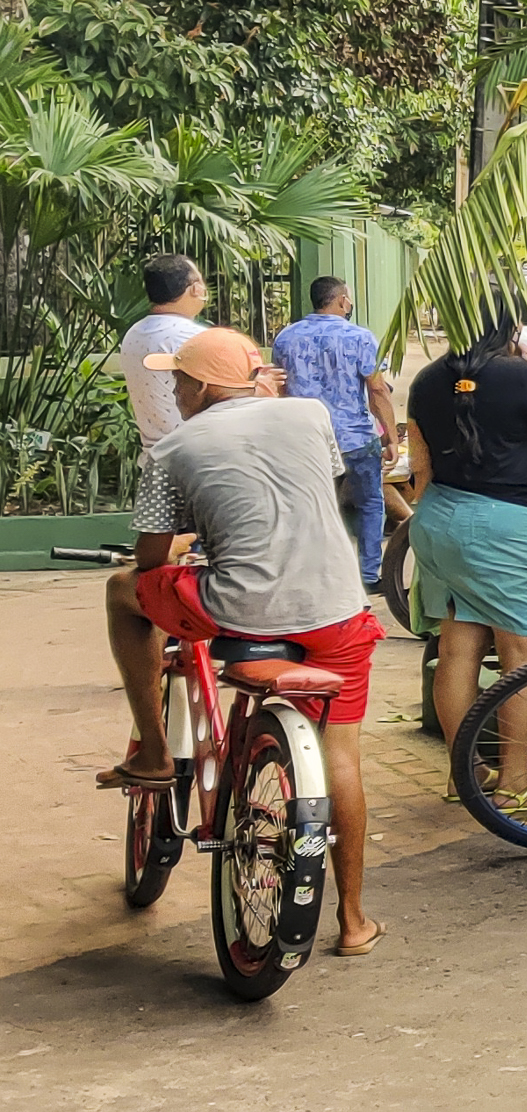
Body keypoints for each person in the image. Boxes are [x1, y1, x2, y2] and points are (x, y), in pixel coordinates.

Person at [96, 329, 388, 956]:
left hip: (238, 610)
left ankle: (154, 752)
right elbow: (312, 487)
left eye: (179, 380)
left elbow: (150, 561)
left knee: (123, 592)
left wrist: (185, 541)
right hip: (338, 608)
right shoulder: (311, 415)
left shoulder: (170, 450)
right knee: (342, 756)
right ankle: (353, 921)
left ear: (202, 386)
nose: (174, 391)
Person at [404, 293, 527, 807]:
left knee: (456, 650)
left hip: (439, 519)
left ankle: (463, 775)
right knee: (525, 656)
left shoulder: (428, 379)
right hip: (507, 528)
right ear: (510, 327)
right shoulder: (520, 375)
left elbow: (419, 464)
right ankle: (515, 782)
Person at [271, 276, 399, 590]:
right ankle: (368, 576)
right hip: (355, 439)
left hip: (306, 440)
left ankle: (314, 576)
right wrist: (391, 437)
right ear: (342, 300)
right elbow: (377, 390)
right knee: (370, 505)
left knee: (311, 508)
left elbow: (279, 388)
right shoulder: (360, 337)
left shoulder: (286, 338)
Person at [117, 253, 208, 452]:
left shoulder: (133, 334)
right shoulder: (194, 337)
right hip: (195, 454)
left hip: (154, 454)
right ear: (195, 289)